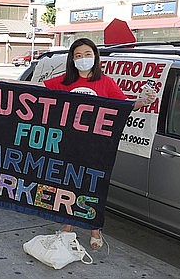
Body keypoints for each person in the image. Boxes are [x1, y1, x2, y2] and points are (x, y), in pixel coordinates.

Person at [43, 37, 156, 249]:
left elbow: (125, 105)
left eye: (87, 54)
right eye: (77, 56)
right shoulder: (63, 81)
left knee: (93, 186)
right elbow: (35, 90)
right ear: (72, 59)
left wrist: (144, 101)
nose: (83, 59)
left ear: (95, 57)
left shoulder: (105, 82)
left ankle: (95, 229)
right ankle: (68, 224)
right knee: (69, 184)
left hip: (98, 146)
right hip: (69, 144)